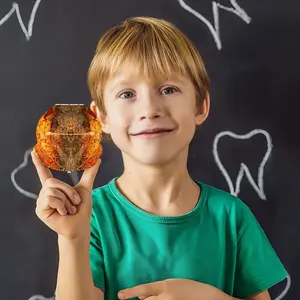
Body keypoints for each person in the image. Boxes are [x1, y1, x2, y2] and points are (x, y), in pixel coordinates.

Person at [32, 16, 288, 300]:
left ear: (200, 105)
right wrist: (72, 239)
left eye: (168, 89)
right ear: (101, 117)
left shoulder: (231, 216)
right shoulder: (92, 216)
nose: (150, 109)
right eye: (127, 93)